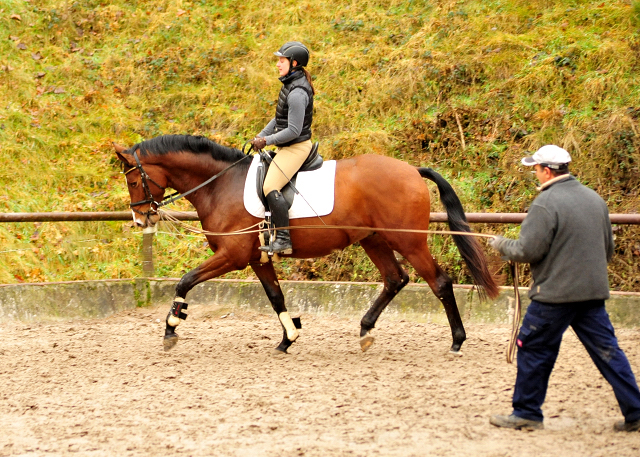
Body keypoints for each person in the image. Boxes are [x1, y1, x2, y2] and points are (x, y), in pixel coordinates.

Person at [488, 145, 640, 432]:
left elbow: (528, 250)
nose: (535, 173)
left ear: (546, 171)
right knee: (609, 353)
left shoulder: (546, 203)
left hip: (554, 297)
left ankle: (526, 412)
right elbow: (607, 250)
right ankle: (636, 412)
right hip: (592, 294)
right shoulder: (595, 199)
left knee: (533, 349)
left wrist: (501, 245)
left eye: (535, 168)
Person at [250, 41, 315, 255]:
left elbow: (294, 130)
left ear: (294, 63)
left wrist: (267, 141)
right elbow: (279, 118)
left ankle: (284, 238)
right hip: (287, 146)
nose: (278, 64)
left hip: (296, 148)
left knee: (270, 186)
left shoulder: (297, 92)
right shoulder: (290, 84)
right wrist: (262, 135)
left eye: (281, 60)